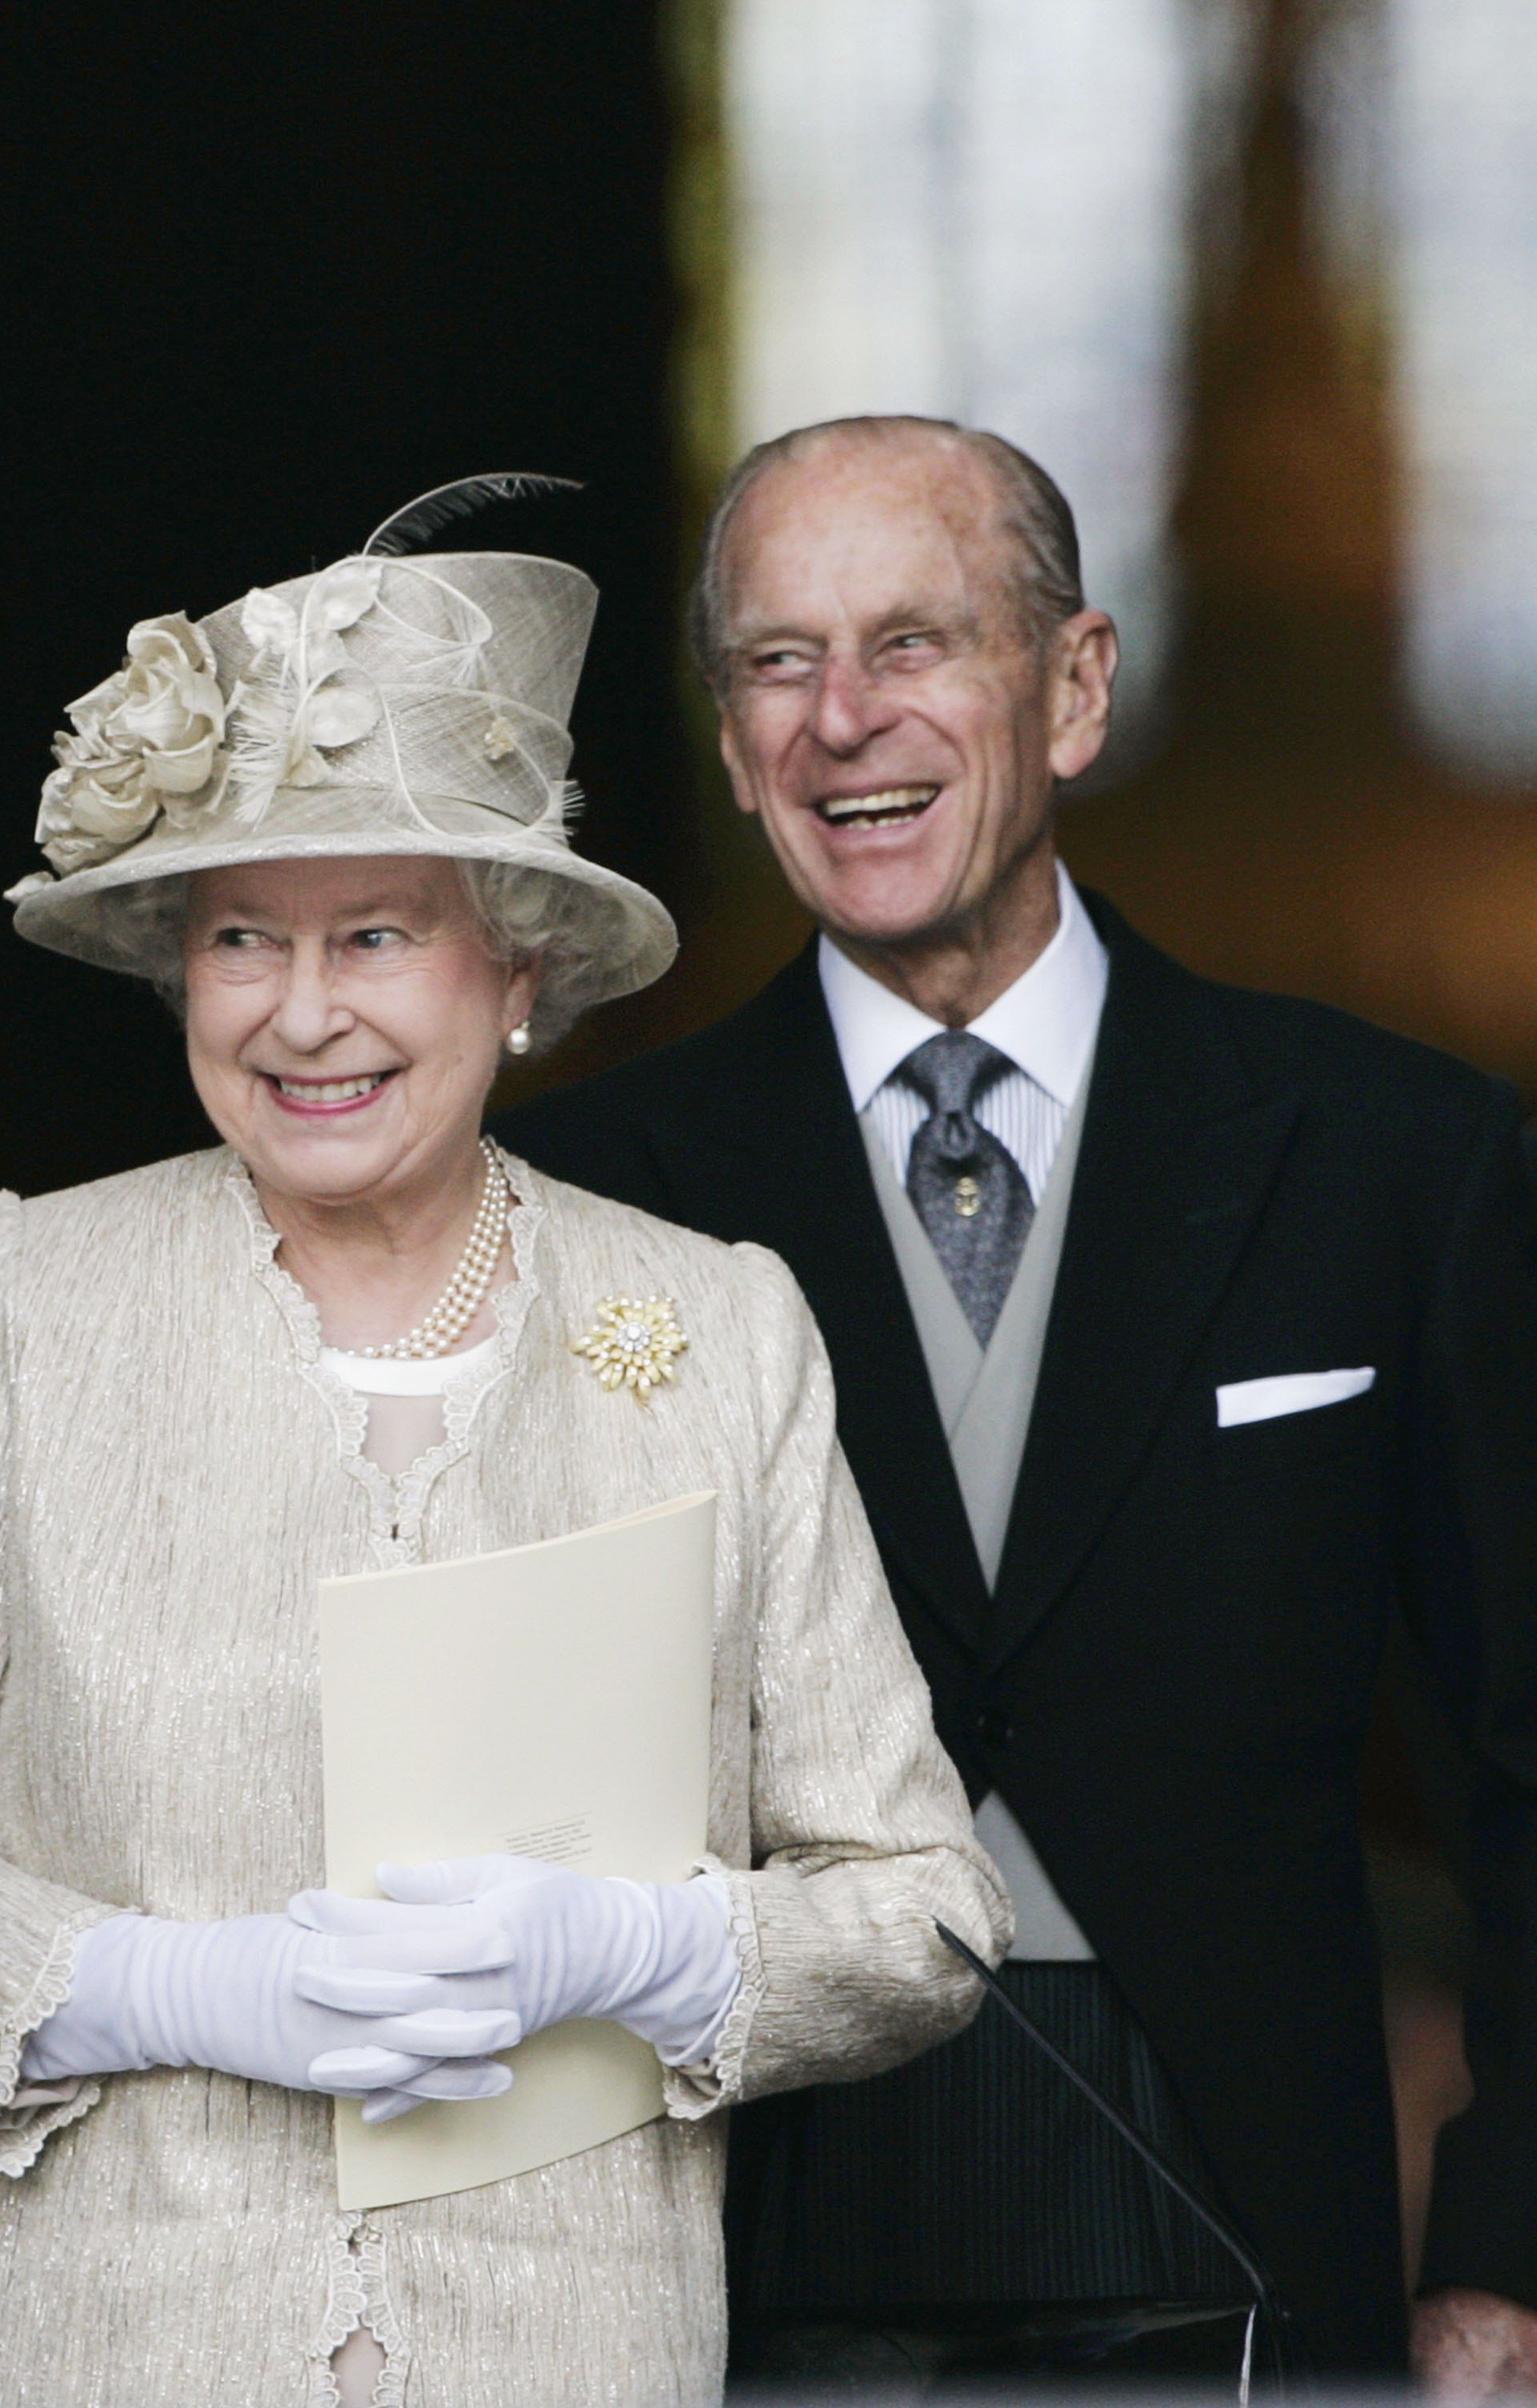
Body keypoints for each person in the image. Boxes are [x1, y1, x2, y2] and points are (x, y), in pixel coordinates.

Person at [0, 488, 1011, 2408]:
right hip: (87, 2349)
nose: (303, 1012)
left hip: (560, 2353)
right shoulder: (23, 1298)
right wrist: (161, 1990)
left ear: (517, 981)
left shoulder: (722, 1328)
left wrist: (642, 1954)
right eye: (243, 935)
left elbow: (925, 1909)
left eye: (381, 935)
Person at [499, 417, 1537, 2390]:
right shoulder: (585, 1203)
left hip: (1247, 2227)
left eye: (913, 643)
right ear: (727, 743)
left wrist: (1511, 2250)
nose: (840, 719)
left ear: (1072, 690)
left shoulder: (1393, 1161)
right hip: (730, 2244)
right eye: (778, 664)